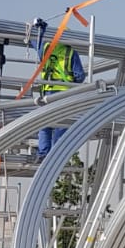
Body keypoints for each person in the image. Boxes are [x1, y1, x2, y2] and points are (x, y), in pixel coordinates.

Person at [31, 17, 85, 155]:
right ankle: (56, 154)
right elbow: (80, 76)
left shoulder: (46, 49)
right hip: (65, 93)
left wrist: (39, 29)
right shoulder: (71, 52)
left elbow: (35, 42)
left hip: (48, 92)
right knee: (62, 123)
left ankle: (43, 153)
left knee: (45, 123)